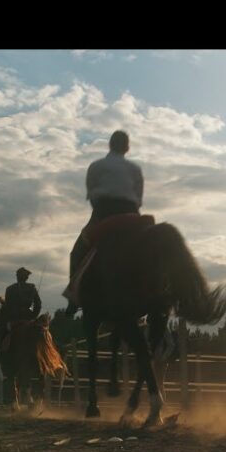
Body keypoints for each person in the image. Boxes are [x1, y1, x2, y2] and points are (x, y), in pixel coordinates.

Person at [64, 130, 144, 316]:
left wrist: (100, 211)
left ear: (110, 145)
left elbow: (91, 193)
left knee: (77, 251)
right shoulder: (135, 169)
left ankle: (73, 298)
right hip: (132, 214)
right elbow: (139, 198)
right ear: (127, 147)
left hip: (103, 212)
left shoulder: (96, 166)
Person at [0, 267, 42, 353]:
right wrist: (33, 316)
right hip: (29, 319)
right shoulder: (32, 288)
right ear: (26, 278)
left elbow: (7, 306)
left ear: (17, 277)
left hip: (14, 320)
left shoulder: (10, 289)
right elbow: (38, 304)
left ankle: (1, 352)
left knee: (2, 333)